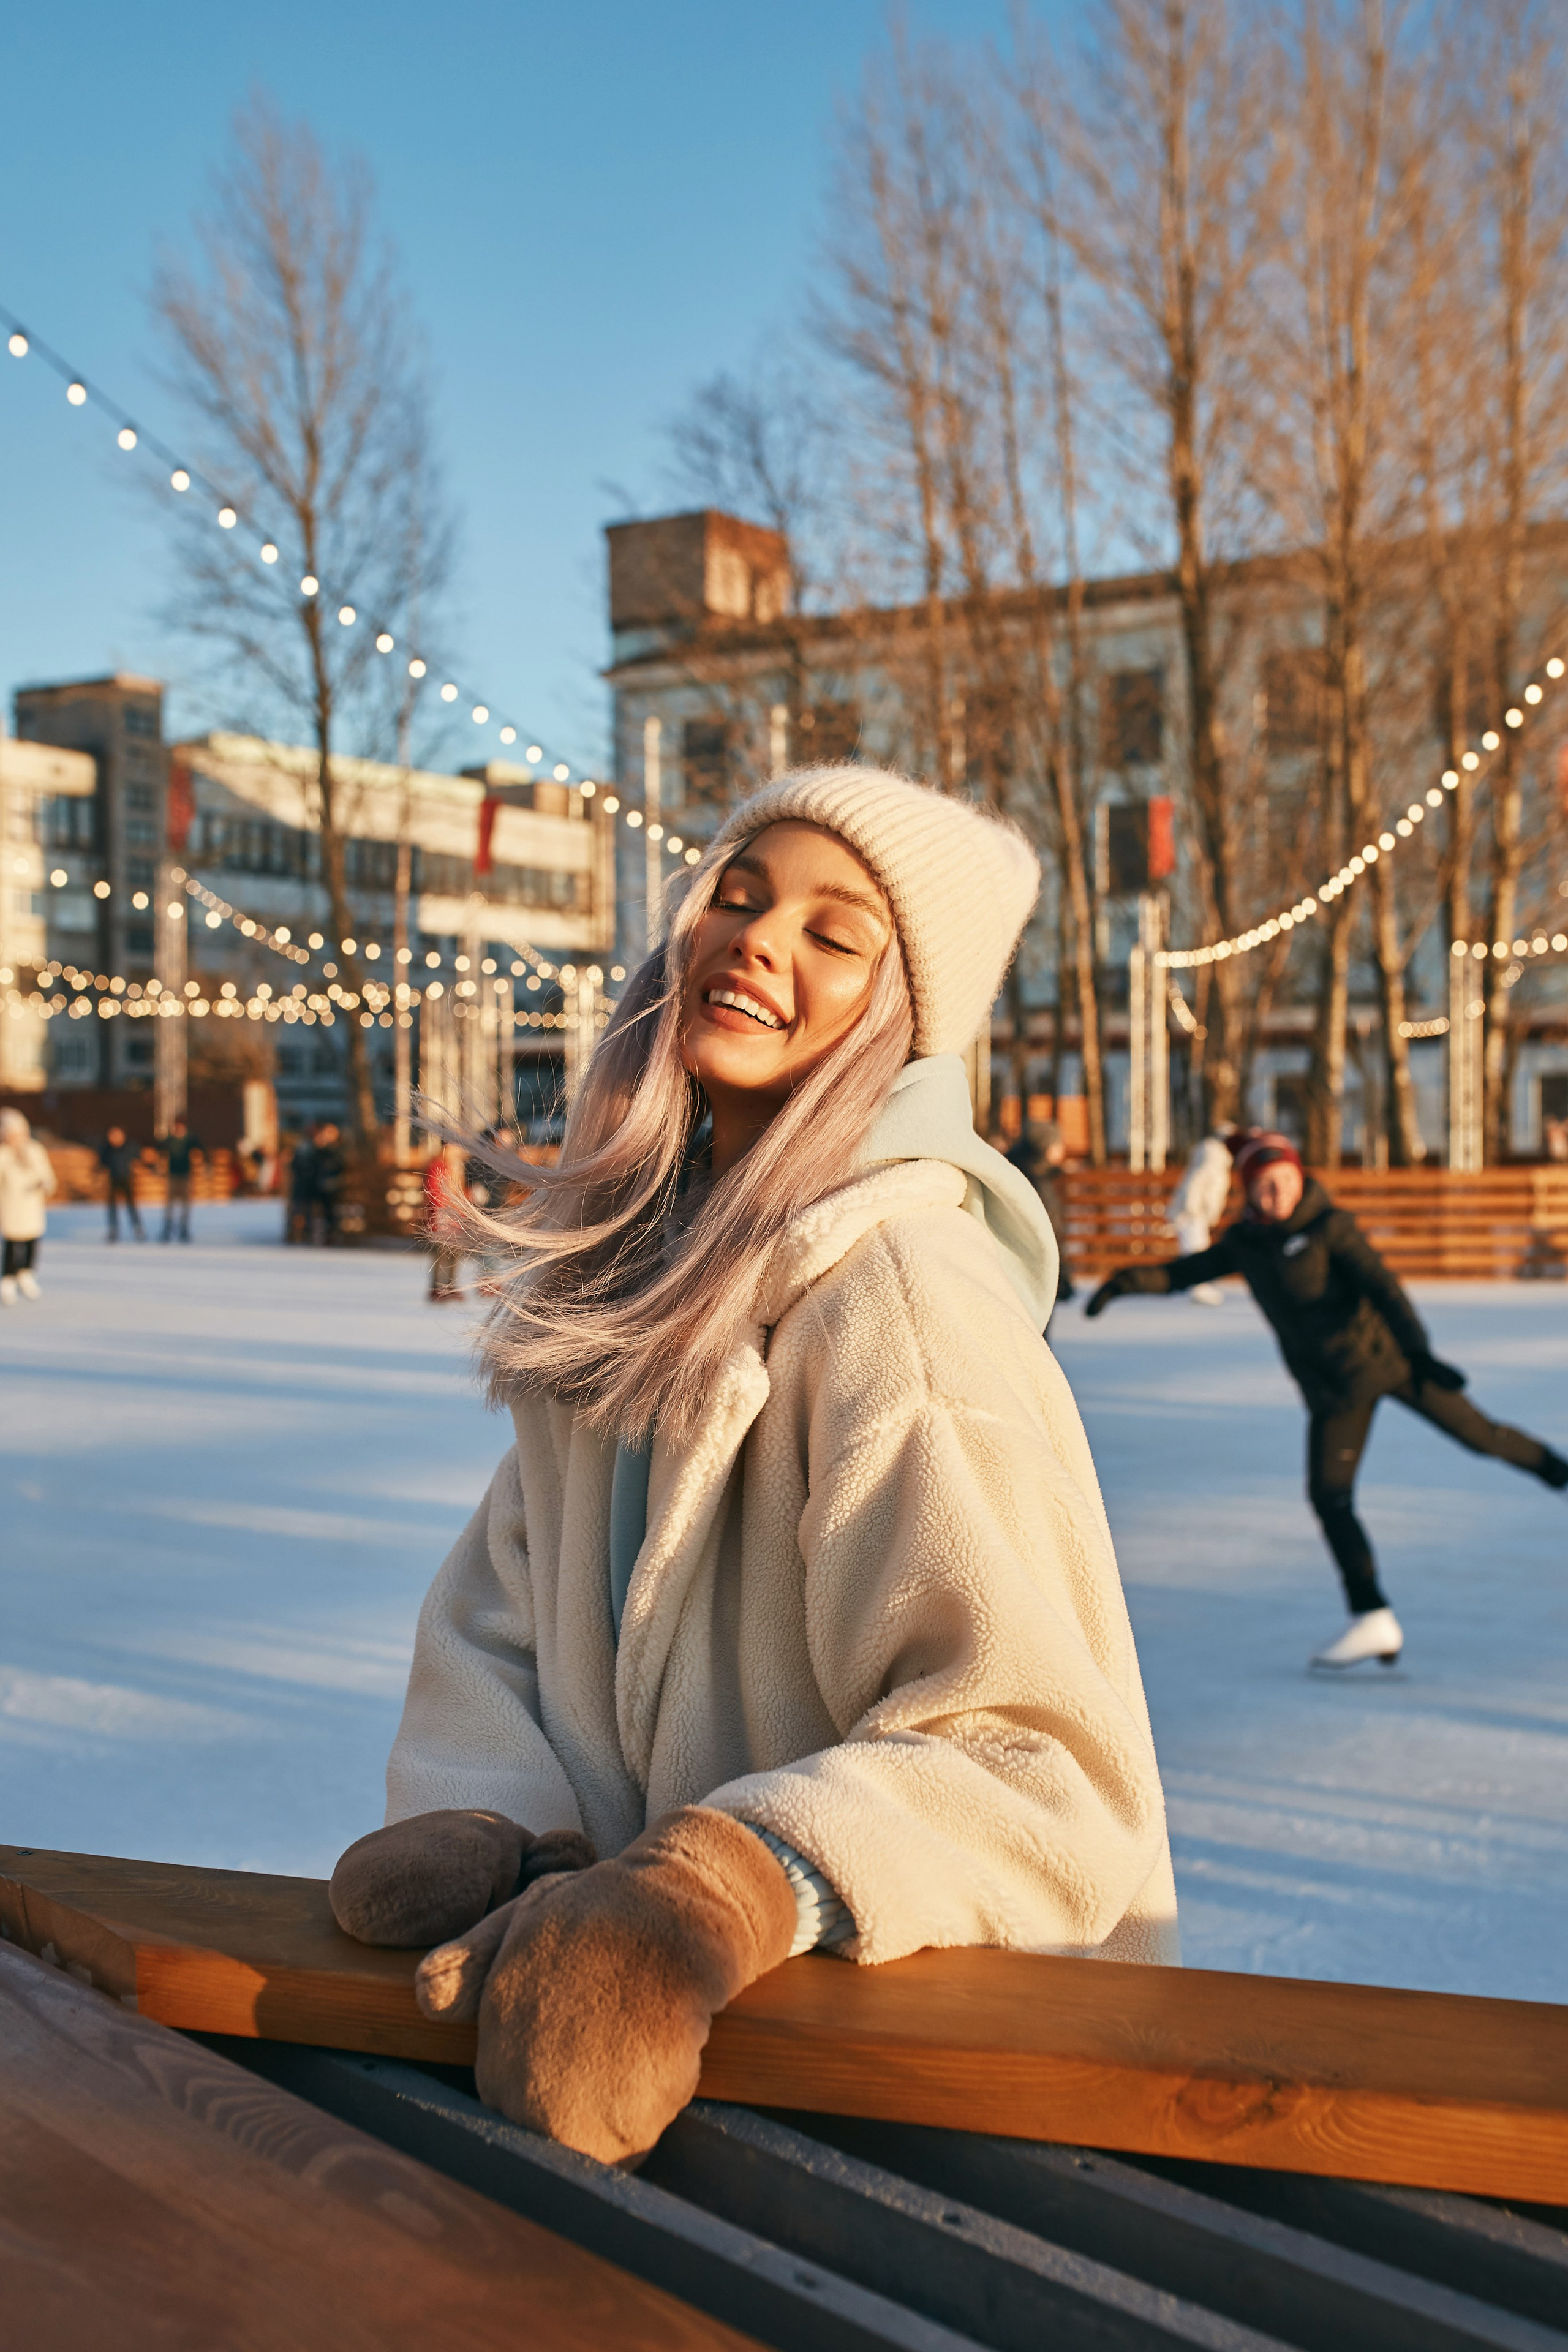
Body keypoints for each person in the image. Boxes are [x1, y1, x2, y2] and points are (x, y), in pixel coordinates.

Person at [328, 764, 1178, 2168]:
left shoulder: (898, 1296)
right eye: (736, 892)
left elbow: (1038, 1759)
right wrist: (498, 1828)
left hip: (948, 2117)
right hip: (684, 2094)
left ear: (901, 1020)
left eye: (834, 932)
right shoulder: (639, 1279)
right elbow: (498, 1617)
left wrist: (717, 1888)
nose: (760, 936)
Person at [1087, 1129, 1568, 1669]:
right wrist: (1123, 1283)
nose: (1279, 1195)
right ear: (1249, 1191)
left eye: (1287, 1181)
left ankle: (1560, 1472)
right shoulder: (1247, 1243)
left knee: (1483, 1437)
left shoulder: (1329, 1227)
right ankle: (1372, 1617)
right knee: (1329, 1496)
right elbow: (1183, 1273)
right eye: (1266, 1186)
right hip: (1335, 1392)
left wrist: (1421, 1352)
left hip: (1390, 1364)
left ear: (1300, 1177)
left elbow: (1383, 1286)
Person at [1165, 1123, 1238, 1306]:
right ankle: (1199, 1290)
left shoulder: (1217, 1157)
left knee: (1197, 1248)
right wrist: (1192, 1207)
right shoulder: (1212, 1156)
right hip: (1193, 1213)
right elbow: (1196, 1181)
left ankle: (1197, 1287)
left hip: (1198, 1213)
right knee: (1196, 1249)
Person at [1006, 1117, 1076, 1307]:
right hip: (1036, 1272)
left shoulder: (1018, 1174)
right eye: (1057, 1144)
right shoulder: (1038, 1183)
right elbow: (1051, 1231)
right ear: (1045, 1148)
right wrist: (1060, 1274)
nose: (1062, 1149)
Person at [0, 1108, 56, 1306]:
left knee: (32, 1240)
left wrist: (45, 1185)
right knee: (13, 1243)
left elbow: (47, 1175)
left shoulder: (35, 1150)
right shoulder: (3, 1155)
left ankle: (26, 1274)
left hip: (32, 1206)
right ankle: (8, 1278)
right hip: (11, 1206)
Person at [156, 1116, 203, 1243]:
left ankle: (184, 1230)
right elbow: (159, 1149)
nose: (179, 1130)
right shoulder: (170, 1140)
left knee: (185, 1206)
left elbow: (200, 1151)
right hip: (172, 1176)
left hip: (186, 1176)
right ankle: (167, 1229)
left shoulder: (190, 1140)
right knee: (169, 1206)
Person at [98, 1125, 145, 1242]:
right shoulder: (107, 1149)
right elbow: (102, 1165)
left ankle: (138, 1229)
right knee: (113, 1208)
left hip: (127, 1181)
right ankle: (113, 1230)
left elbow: (138, 1162)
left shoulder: (130, 1148)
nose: (114, 1138)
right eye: (112, 1135)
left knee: (131, 1207)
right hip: (113, 1181)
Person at [312, 1121, 345, 1244]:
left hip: (335, 1187)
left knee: (332, 1211)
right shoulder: (320, 1150)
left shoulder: (338, 1148)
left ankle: (332, 1234)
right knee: (324, 1210)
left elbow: (337, 1163)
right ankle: (324, 1234)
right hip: (322, 1187)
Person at [286, 1128, 317, 1243]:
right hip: (301, 1187)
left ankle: (304, 1234)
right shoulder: (301, 1149)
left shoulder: (313, 1149)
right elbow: (294, 1166)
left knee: (306, 1212)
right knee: (298, 1211)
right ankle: (295, 1234)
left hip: (308, 1188)